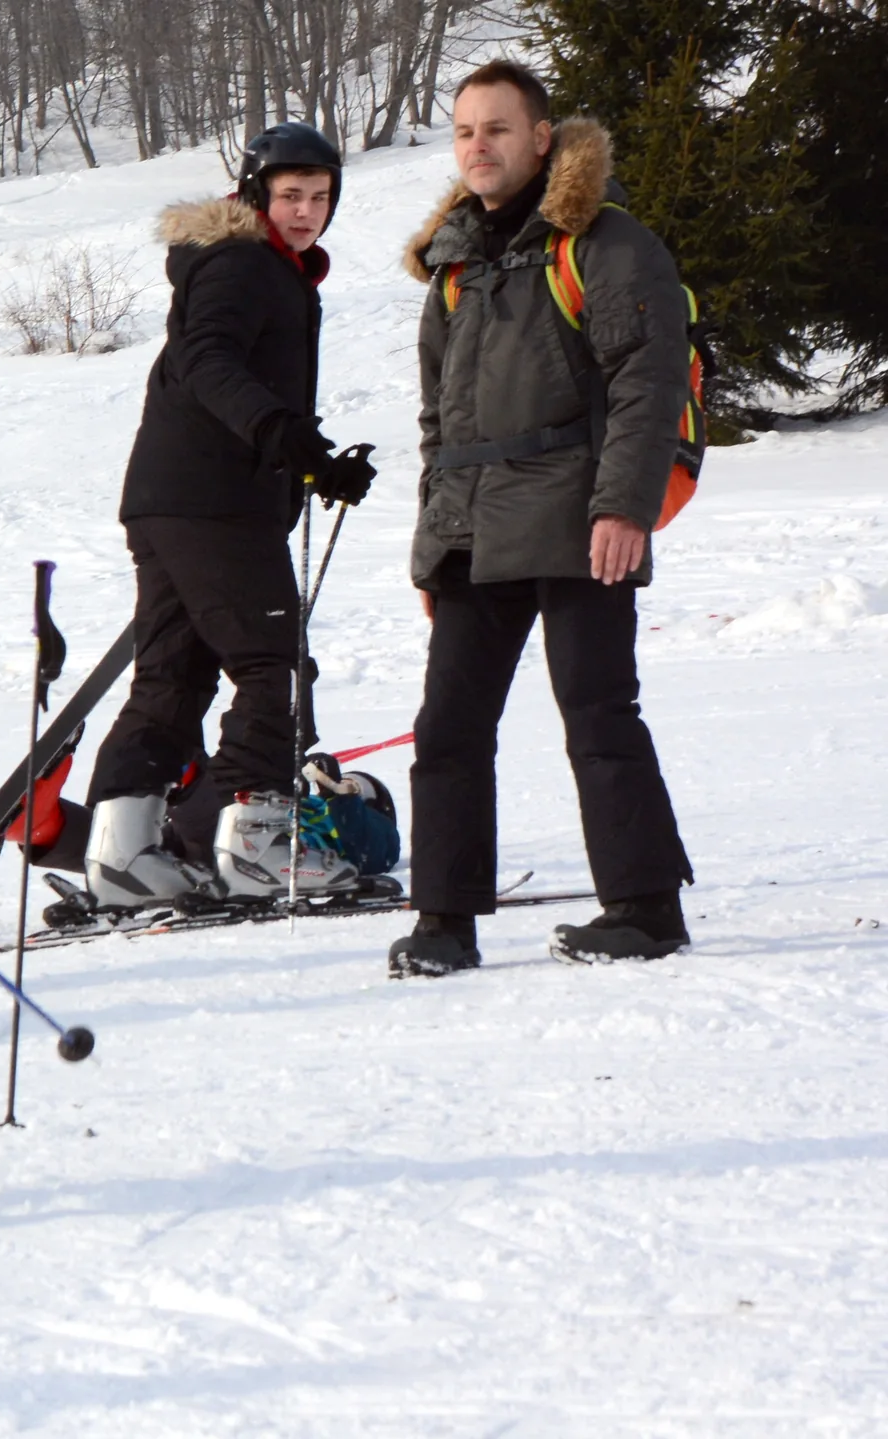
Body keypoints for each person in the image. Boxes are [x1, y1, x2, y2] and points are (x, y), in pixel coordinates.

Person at [391, 61, 694, 977]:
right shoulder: (453, 263)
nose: (477, 146)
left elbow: (647, 381)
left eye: (497, 128)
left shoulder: (603, 242)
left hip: (577, 517)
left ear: (541, 138)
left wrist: (624, 507)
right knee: (448, 726)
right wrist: (434, 543)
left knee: (597, 713)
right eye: (464, 131)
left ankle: (645, 908)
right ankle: (444, 922)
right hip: (474, 530)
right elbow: (439, 421)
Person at [81, 120, 379, 909]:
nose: (306, 211)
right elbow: (206, 359)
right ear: (255, 194)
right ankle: (258, 843)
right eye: (290, 195)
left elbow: (223, 378)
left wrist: (311, 463)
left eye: (320, 197)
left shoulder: (255, 265)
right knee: (272, 660)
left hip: (174, 496)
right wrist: (281, 432)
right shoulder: (243, 263)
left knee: (174, 675)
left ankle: (123, 851)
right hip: (215, 501)